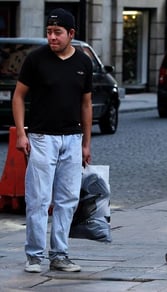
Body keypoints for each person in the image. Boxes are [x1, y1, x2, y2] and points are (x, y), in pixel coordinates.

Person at [12, 8, 92, 273]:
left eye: (57, 32)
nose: (52, 37)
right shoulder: (35, 60)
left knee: (68, 198)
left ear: (71, 33)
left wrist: (86, 143)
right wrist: (22, 134)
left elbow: (86, 104)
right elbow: (18, 96)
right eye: (49, 32)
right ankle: (34, 255)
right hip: (42, 138)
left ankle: (60, 254)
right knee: (38, 198)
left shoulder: (83, 62)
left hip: (72, 138)